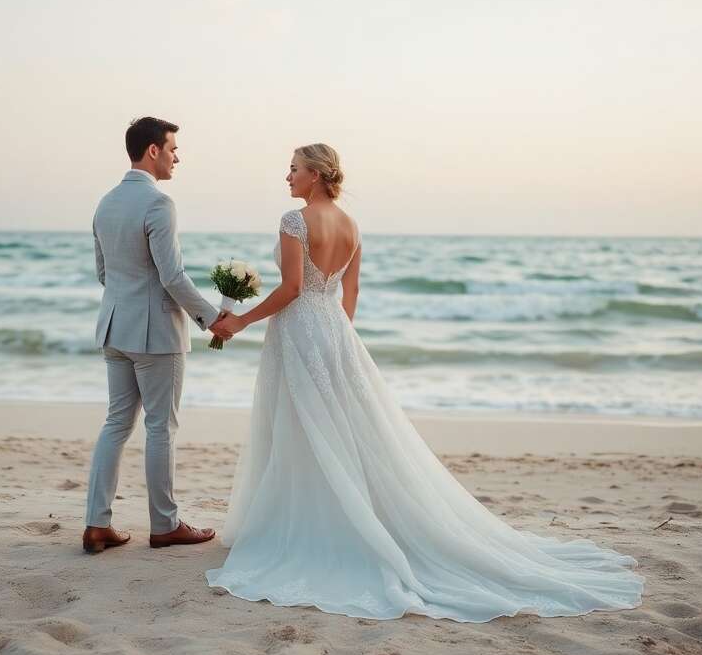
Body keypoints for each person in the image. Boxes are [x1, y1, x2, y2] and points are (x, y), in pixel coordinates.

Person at [204, 143, 646, 622]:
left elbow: (292, 289)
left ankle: (305, 527)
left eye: (293, 169)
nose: (287, 176)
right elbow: (348, 297)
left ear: (314, 174)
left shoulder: (295, 221)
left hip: (300, 330)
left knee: (301, 424)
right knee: (343, 427)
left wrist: (243, 321)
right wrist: (337, 341)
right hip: (335, 332)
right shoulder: (352, 227)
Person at [81, 116, 234, 554]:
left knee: (115, 425)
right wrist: (211, 317)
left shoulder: (105, 202)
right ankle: (165, 525)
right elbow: (173, 276)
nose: (176, 157)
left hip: (113, 328)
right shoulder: (158, 203)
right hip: (155, 337)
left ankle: (96, 524)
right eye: (172, 149)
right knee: (160, 428)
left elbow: (103, 272)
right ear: (153, 151)